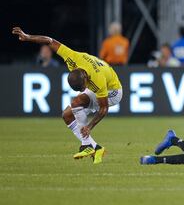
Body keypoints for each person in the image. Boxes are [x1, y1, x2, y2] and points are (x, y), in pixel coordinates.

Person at [12, 27, 123, 164]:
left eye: (82, 88)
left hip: (113, 92)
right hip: (98, 84)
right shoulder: (72, 57)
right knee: (67, 115)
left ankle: (86, 145)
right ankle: (96, 148)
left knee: (77, 102)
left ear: (86, 79)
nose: (81, 90)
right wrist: (28, 37)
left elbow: (104, 109)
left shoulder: (97, 79)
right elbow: (49, 41)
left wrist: (89, 126)